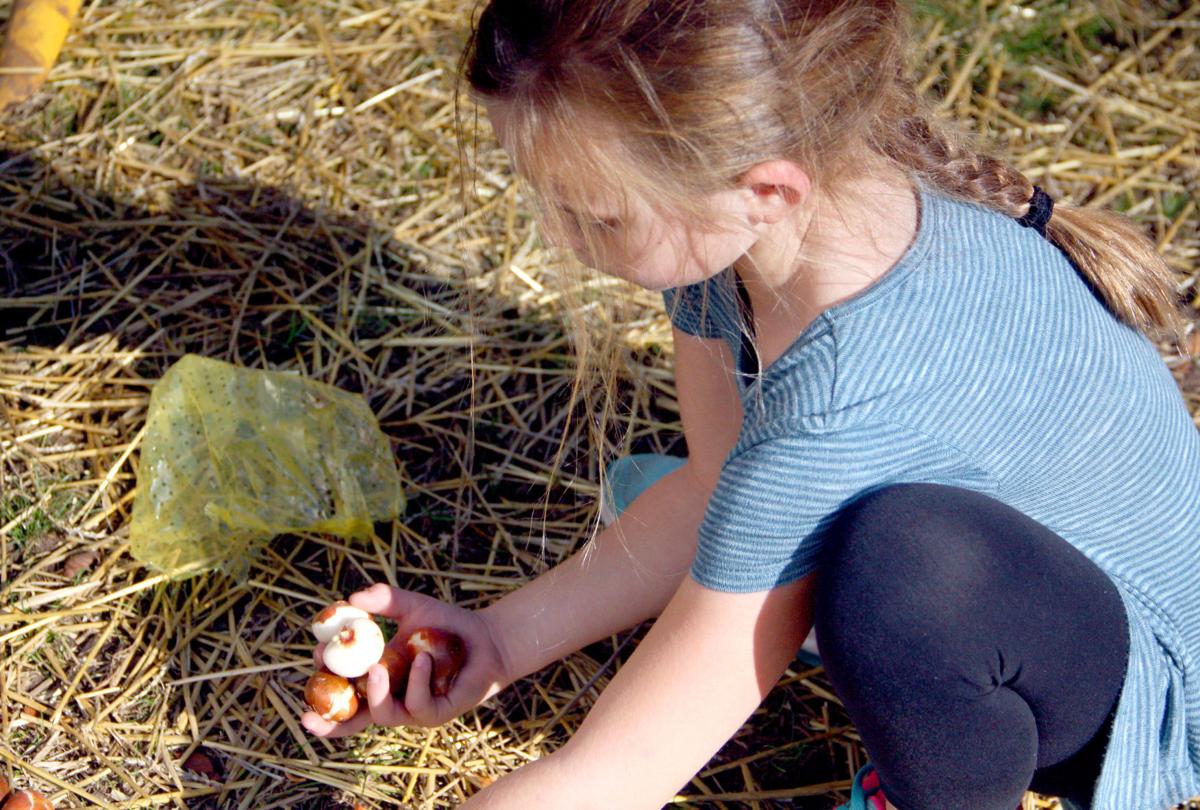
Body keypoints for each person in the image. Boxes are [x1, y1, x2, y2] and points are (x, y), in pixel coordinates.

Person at [300, 2, 1200, 808]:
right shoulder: (767, 234)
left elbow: (614, 776)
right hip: (1018, 574)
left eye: (598, 217)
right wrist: (498, 642)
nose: (561, 242)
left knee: (900, 576)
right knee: (712, 515)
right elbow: (710, 486)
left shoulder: (844, 398)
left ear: (766, 188)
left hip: (1137, 686)